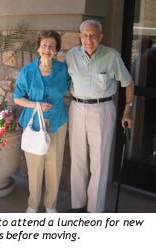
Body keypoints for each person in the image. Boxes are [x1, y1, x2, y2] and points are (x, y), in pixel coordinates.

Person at [66, 19, 134, 213]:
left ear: (100, 37)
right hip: (77, 108)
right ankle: (78, 205)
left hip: (102, 109)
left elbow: (128, 83)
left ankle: (94, 210)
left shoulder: (111, 56)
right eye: (85, 35)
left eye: (93, 35)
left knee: (100, 161)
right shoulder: (71, 56)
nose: (89, 39)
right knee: (77, 158)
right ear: (80, 37)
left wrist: (127, 109)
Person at [13, 30, 70, 213]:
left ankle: (50, 205)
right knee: (35, 166)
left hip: (57, 122)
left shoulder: (63, 70)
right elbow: (17, 98)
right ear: (38, 48)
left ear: (56, 50)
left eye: (51, 46)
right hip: (34, 123)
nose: (47, 49)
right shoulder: (28, 71)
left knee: (54, 165)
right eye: (44, 45)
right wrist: (36, 104)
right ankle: (32, 205)